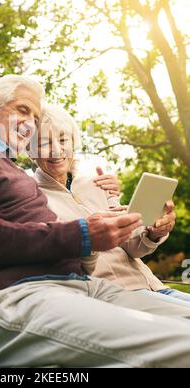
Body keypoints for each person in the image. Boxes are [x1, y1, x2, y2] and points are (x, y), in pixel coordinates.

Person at [0, 75, 190, 368]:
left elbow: (62, 245)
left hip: (78, 289)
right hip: (13, 301)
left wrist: (108, 234)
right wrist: (84, 234)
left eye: (35, 116)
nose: (30, 123)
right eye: (23, 110)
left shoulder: (17, 177)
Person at [33, 102, 190, 307]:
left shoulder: (99, 183)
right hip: (111, 296)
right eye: (44, 143)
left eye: (63, 139)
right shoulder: (31, 198)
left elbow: (133, 247)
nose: (56, 150)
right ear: (29, 149)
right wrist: (88, 235)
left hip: (154, 286)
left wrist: (154, 232)